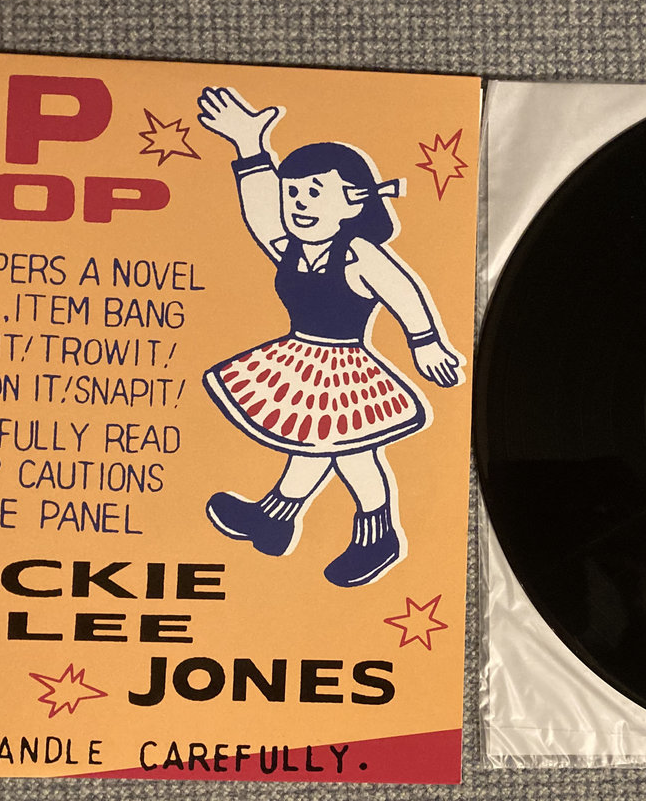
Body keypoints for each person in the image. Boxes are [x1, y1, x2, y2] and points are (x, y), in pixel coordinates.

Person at [196, 85, 461, 588]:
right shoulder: (292, 248)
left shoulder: (358, 252)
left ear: (353, 202)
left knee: (353, 454)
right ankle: (275, 518)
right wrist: (250, 147)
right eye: (293, 193)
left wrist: (425, 340)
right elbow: (261, 217)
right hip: (299, 360)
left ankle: (377, 536)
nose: (299, 203)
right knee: (313, 442)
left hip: (346, 369)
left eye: (315, 193)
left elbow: (402, 291)